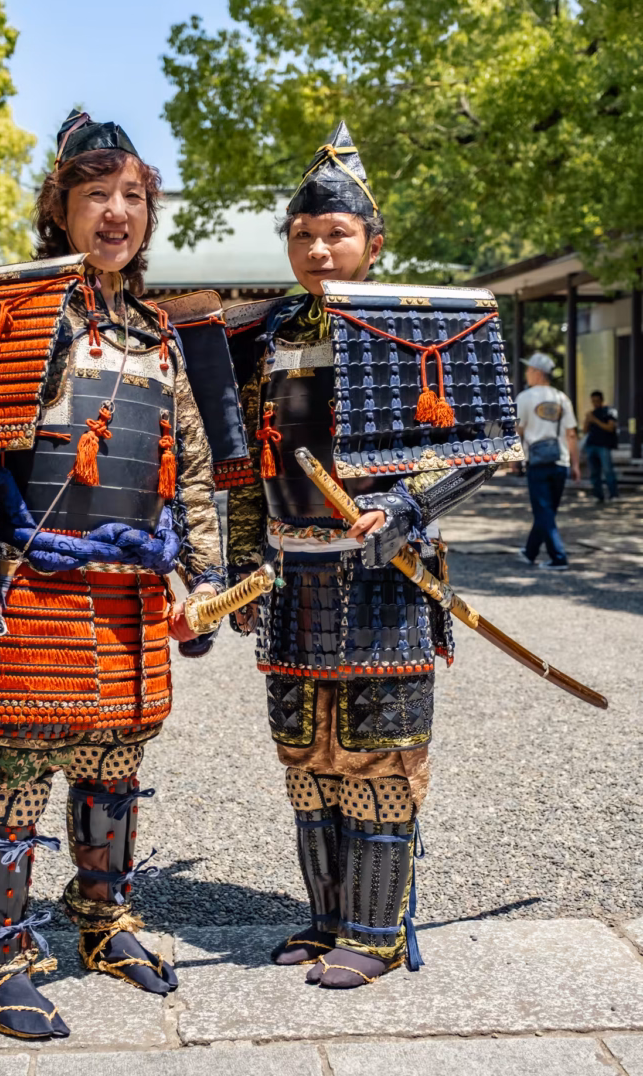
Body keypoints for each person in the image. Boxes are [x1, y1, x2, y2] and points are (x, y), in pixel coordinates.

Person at [0, 111, 224, 1039]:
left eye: (133, 197)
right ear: (62, 209)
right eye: (97, 196)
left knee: (113, 768)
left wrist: (198, 571)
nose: (117, 213)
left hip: (129, 589)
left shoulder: (161, 334)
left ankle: (103, 920)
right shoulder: (11, 310)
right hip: (33, 584)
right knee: (9, 778)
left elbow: (190, 466)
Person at [226, 122, 519, 989]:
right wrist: (242, 564)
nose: (318, 247)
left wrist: (406, 504)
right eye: (303, 234)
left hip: (384, 577)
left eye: (337, 233)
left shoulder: (421, 320)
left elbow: (479, 443)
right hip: (290, 576)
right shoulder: (264, 333)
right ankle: (323, 920)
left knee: (380, 754)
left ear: (373, 242)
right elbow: (246, 463)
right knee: (306, 755)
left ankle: (376, 932)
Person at [516, 352, 579, 571]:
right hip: (560, 461)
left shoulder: (525, 398)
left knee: (543, 511)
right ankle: (530, 551)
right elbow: (571, 434)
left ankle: (559, 557)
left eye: (528, 369)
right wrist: (576, 464)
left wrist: (514, 459)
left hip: (538, 462)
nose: (526, 373)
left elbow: (519, 431)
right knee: (547, 510)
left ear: (536, 372)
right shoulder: (562, 398)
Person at [582, 389, 619, 503]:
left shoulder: (609, 412)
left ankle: (613, 495)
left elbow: (610, 427)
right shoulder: (592, 413)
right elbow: (585, 431)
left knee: (608, 471)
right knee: (594, 473)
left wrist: (595, 420)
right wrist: (587, 420)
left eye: (597, 401)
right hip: (591, 445)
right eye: (593, 401)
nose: (595, 403)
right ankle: (598, 496)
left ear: (602, 400)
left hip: (603, 445)